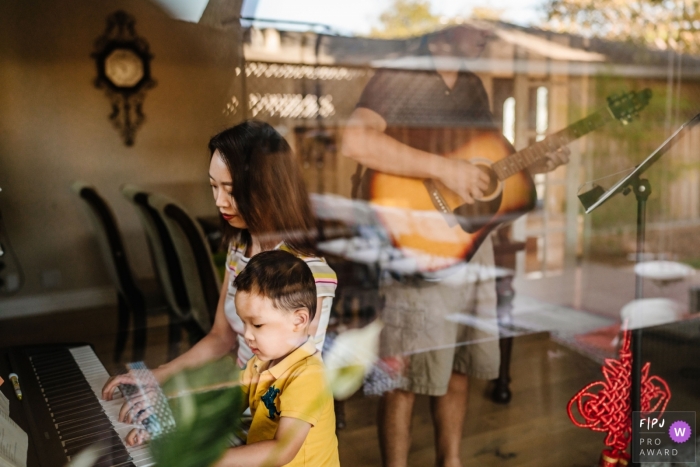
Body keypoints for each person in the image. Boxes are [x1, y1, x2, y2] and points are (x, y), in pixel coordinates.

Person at [342, 26, 569, 467]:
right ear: (441, 30)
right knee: (404, 376)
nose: (486, 30)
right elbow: (356, 140)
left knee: (463, 364)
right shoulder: (401, 73)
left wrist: (533, 164)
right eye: (475, 21)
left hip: (469, 241)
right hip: (415, 240)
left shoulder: (471, 86)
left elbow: (483, 166)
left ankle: (451, 462)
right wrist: (443, 169)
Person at [102, 121, 338, 435]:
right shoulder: (240, 246)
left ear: (269, 188)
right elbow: (221, 337)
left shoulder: (307, 274)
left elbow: (282, 383)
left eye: (231, 190)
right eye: (214, 186)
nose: (219, 202)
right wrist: (157, 376)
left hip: (265, 421)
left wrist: (179, 404)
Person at [214, 250, 339, 467]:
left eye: (257, 324)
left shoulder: (309, 376)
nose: (247, 334)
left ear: (299, 321)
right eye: (244, 323)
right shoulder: (260, 362)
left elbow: (281, 450)